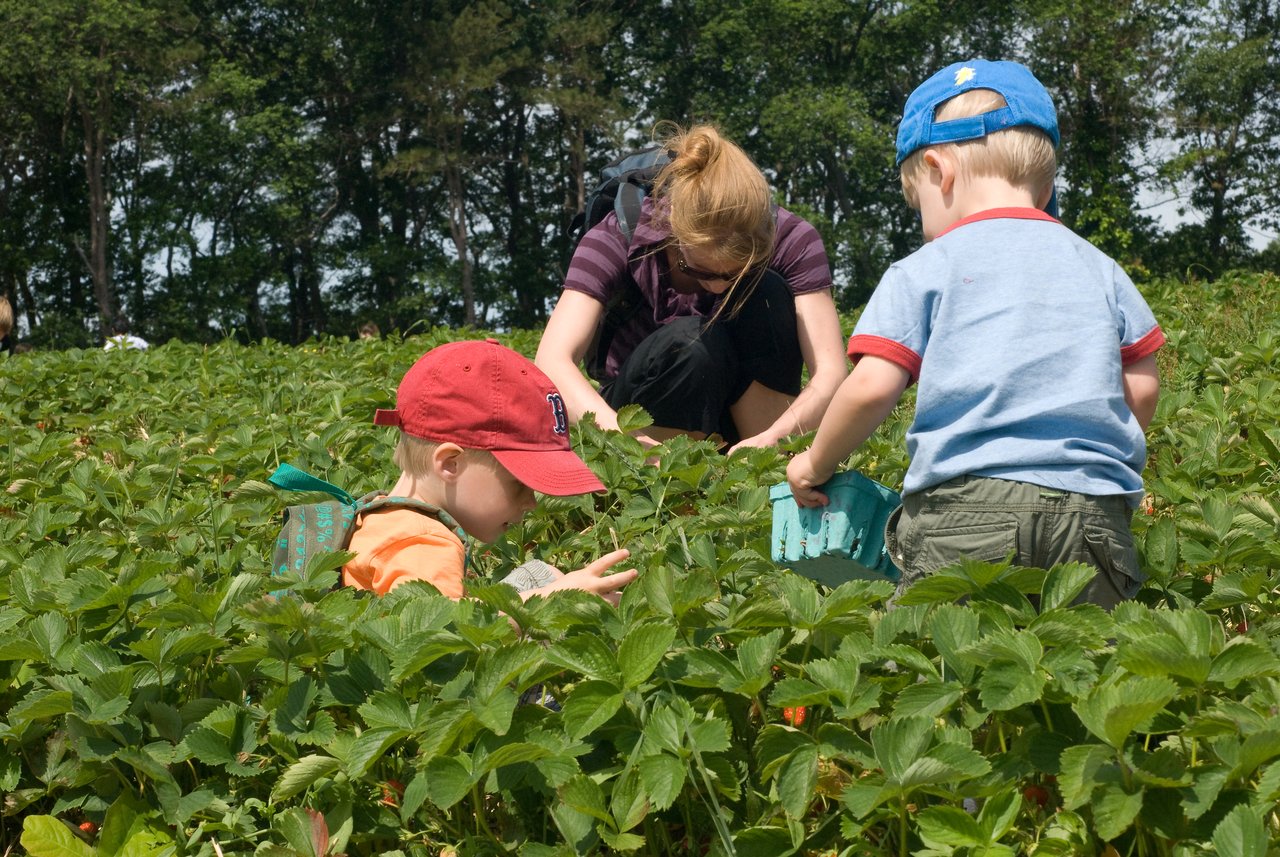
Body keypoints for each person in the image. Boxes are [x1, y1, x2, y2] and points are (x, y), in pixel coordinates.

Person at [786, 59, 1164, 609]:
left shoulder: (924, 268)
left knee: (942, 666)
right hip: (1092, 514)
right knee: (1086, 672)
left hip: (965, 514)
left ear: (940, 171)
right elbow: (1143, 387)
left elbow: (869, 388)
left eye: (918, 205)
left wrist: (813, 465)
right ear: (1047, 181)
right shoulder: (1100, 267)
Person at [535, 123, 847, 453]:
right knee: (690, 344)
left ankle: (767, 470)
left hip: (754, 422)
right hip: (638, 414)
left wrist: (773, 439)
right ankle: (670, 488)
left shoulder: (793, 239)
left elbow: (830, 373)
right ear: (673, 230)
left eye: (737, 275)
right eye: (697, 271)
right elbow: (551, 360)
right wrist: (627, 440)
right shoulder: (614, 237)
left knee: (765, 293)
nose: (718, 287)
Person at [342, 338, 637, 604]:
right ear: (449, 464)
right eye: (519, 482)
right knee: (556, 596)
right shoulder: (425, 543)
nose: (532, 501)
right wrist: (553, 600)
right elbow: (436, 631)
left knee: (540, 573)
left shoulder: (381, 516)